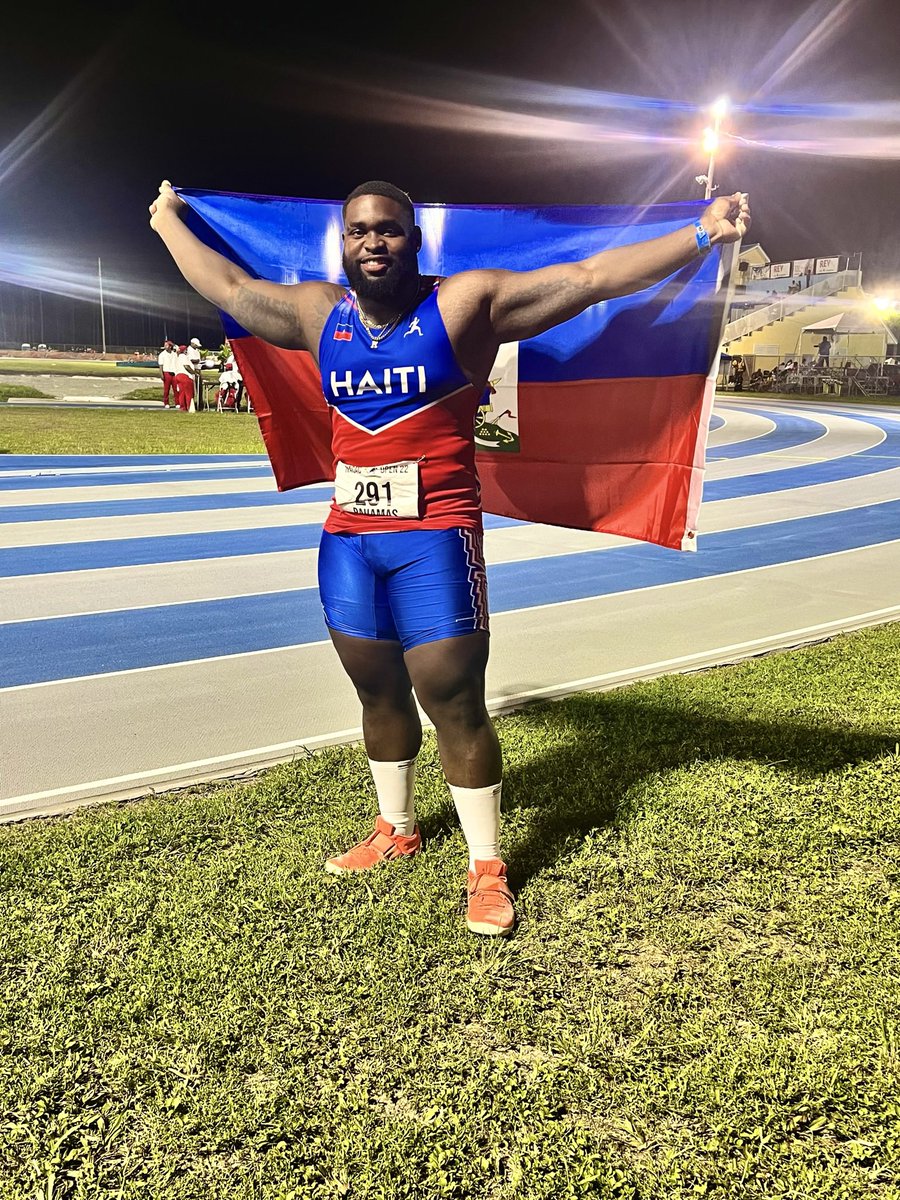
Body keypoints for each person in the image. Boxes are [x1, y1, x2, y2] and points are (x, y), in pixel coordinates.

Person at [149, 178, 750, 936]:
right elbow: (231, 287)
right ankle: (395, 828)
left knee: (455, 701)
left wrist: (700, 233)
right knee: (376, 694)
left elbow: (591, 279)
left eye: (391, 230)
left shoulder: (465, 305)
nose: (375, 241)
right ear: (343, 242)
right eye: (361, 230)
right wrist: (168, 222)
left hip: (436, 538)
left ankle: (487, 866)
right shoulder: (319, 314)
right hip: (348, 543)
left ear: (415, 240)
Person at [173, 343, 198, 411]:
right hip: (184, 376)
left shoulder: (178, 357)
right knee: (188, 393)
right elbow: (186, 366)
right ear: (184, 351)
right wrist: (194, 373)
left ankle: (183, 407)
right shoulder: (183, 357)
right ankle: (189, 406)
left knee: (182, 393)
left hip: (178, 376)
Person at [157, 338, 179, 408]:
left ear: (170, 346)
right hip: (166, 372)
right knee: (166, 389)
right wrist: (161, 374)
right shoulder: (162, 355)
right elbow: (161, 365)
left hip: (174, 372)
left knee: (176, 389)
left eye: (166, 345)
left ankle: (177, 402)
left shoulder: (174, 354)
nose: (165, 346)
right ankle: (166, 403)